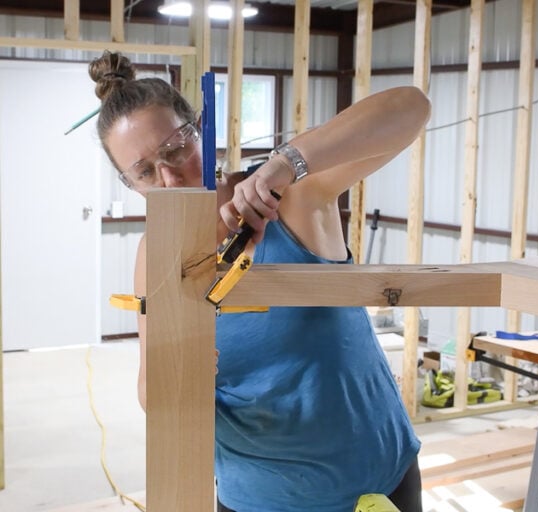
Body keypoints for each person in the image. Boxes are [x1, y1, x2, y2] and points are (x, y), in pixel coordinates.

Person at [88, 50, 431, 512]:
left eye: (176, 150)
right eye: (145, 171)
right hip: (254, 497)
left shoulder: (290, 198)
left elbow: (410, 108)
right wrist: (181, 379)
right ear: (129, 184)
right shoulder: (155, 254)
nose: (169, 177)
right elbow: (152, 393)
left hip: (370, 482)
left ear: (201, 134)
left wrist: (287, 163)